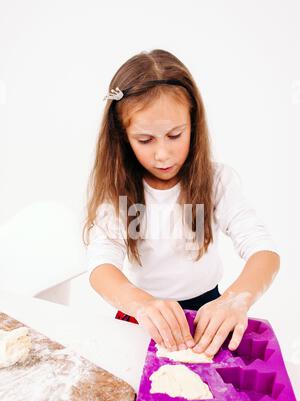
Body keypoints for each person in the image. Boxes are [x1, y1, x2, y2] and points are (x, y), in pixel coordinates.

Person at [83, 49, 280, 358]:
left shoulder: (217, 181)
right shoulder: (118, 191)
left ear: (193, 123)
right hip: (141, 316)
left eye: (175, 135)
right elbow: (101, 265)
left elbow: (264, 251)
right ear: (123, 137)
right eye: (145, 140)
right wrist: (140, 303)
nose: (163, 154)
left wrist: (235, 300)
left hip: (208, 313)